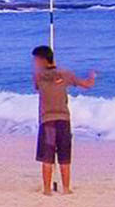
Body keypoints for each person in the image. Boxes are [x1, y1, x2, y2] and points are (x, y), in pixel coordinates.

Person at [32, 44, 95, 195]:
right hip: (63, 119)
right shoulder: (65, 74)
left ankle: (47, 190)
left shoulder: (38, 76)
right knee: (64, 156)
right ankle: (66, 189)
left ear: (42, 60)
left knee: (47, 157)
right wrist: (92, 77)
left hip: (47, 120)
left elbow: (37, 87)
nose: (34, 63)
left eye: (35, 60)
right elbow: (87, 84)